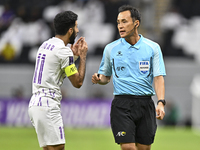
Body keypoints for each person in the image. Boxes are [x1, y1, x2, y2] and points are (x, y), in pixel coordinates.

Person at [92, 5, 166, 150]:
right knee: (128, 147)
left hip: (145, 104)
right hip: (122, 105)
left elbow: (158, 77)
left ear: (136, 23)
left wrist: (161, 102)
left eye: (124, 21)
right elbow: (106, 77)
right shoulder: (110, 49)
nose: (120, 26)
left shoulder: (153, 48)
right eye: (118, 22)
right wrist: (99, 79)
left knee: (144, 148)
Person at [28, 11, 88, 150]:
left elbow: (56, 66)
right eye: (76, 27)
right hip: (48, 104)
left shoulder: (46, 45)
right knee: (58, 147)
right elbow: (77, 82)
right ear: (70, 30)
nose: (78, 31)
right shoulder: (63, 51)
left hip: (35, 103)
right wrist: (83, 57)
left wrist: (73, 56)